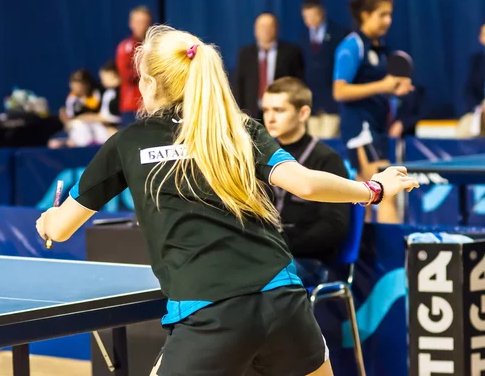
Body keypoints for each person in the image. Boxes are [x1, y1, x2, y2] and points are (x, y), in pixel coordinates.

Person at [36, 25, 419, 376]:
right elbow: (304, 183)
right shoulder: (239, 129)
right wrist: (376, 190)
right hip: (284, 302)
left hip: (209, 316)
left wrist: (47, 222)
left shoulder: (127, 143)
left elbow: (62, 227)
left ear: (149, 83)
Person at [333, 0, 414, 223]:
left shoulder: (378, 47)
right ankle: (395, 259)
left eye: (390, 15)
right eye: (382, 15)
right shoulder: (351, 46)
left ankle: (365, 256)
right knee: (387, 193)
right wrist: (383, 85)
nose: (388, 20)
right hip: (361, 130)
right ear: (365, 15)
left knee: (366, 195)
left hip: (376, 127)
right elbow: (339, 91)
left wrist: (393, 89)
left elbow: (376, 88)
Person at [262, 77, 350, 287]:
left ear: (303, 113)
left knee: (257, 281)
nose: (270, 118)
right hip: (268, 256)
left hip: (310, 261)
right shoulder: (262, 156)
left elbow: (334, 227)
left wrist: (283, 245)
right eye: (266, 110)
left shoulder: (327, 160)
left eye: (279, 110)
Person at [234, 13, 305, 120]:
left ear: (277, 28)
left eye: (270, 26)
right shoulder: (245, 54)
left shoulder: (291, 52)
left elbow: (297, 84)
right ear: (255, 30)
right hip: (251, 114)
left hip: (281, 113)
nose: (266, 30)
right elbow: (239, 85)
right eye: (262, 27)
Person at [299, 0, 350, 139]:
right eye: (305, 17)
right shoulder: (303, 38)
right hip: (312, 104)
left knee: (330, 141)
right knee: (313, 144)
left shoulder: (340, 34)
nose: (309, 20)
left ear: (322, 13)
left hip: (332, 102)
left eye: (312, 15)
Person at [116, 6, 152, 126]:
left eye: (145, 22)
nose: (142, 26)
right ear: (131, 24)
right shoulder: (125, 47)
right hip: (132, 108)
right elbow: (127, 75)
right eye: (138, 22)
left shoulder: (156, 46)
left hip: (152, 106)